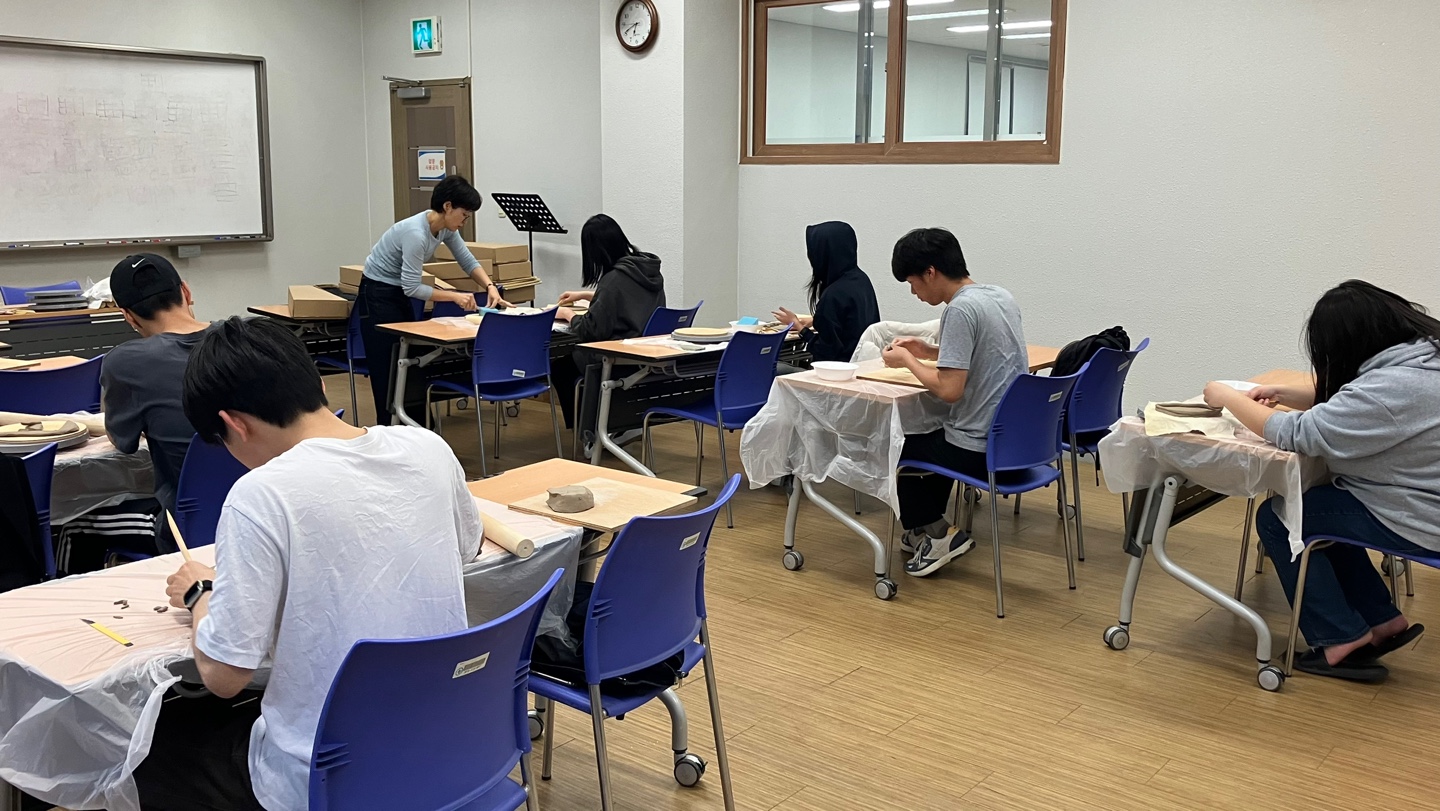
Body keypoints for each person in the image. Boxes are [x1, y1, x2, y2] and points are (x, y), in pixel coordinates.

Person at [133, 317, 481, 810]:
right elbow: (467, 547)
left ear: (234, 424)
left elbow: (225, 676)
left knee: (152, 746)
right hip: (443, 742)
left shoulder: (260, 495)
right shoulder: (427, 447)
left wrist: (199, 593)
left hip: (331, 775)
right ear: (314, 382)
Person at [1204, 280, 1439, 682]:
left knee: (1280, 519)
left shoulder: (1388, 388)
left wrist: (1228, 397)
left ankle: (1339, 640)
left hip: (1422, 518)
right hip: (1422, 501)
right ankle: (1382, 620)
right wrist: (1283, 392)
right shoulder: (1423, 357)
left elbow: (1298, 433)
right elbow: (1350, 402)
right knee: (1323, 506)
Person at [882, 228, 1028, 577]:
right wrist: (929, 351)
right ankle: (922, 528)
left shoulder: (960, 310)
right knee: (937, 434)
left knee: (895, 448)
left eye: (913, 283)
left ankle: (938, 533)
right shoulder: (999, 296)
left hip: (981, 449)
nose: (914, 292)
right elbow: (982, 353)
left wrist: (907, 360)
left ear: (930, 272)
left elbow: (949, 390)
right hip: (1019, 444)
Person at [357, 174, 510, 425]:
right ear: (447, 206)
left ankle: (416, 426)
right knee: (386, 366)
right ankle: (391, 428)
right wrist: (455, 297)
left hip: (396, 291)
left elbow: (467, 259)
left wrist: (490, 286)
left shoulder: (444, 229)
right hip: (377, 293)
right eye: (464, 215)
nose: (464, 221)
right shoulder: (416, 234)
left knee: (406, 361)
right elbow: (411, 287)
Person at [99, 254, 213, 557]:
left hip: (186, 533)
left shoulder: (126, 362)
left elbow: (122, 441)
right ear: (186, 291)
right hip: (276, 514)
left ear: (128, 316)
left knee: (75, 527)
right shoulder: (251, 336)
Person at [552, 214, 666, 436]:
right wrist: (586, 295)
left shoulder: (613, 279)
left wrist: (567, 314)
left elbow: (591, 331)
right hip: (644, 351)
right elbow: (627, 299)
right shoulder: (645, 269)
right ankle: (612, 425)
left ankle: (589, 432)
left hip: (619, 355)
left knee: (561, 368)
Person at [772, 220, 881, 365]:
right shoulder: (862, 280)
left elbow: (825, 353)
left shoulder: (834, 294)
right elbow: (851, 321)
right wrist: (815, 320)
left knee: (776, 368)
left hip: (839, 372)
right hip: (865, 366)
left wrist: (799, 327)